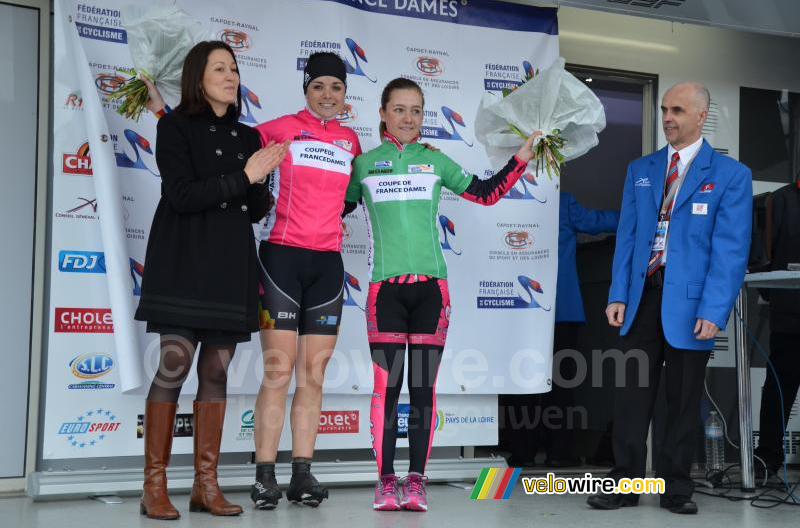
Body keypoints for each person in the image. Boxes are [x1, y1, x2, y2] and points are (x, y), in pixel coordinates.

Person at [343, 77, 540, 512]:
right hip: (383, 293)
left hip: (432, 291)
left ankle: (416, 481)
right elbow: (336, 206)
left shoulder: (434, 161)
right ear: (382, 112)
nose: (408, 118)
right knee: (386, 389)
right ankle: (385, 480)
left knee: (422, 387)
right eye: (399, 109)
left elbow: (486, 194)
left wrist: (522, 155)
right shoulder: (364, 165)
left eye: (416, 110)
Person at [134, 41, 288, 520]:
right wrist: (246, 175)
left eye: (234, 68)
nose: (230, 75)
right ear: (197, 77)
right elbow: (181, 195)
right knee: (174, 367)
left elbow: (253, 208)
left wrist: (263, 181)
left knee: (216, 373)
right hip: (182, 262)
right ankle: (153, 488)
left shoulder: (248, 136)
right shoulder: (174, 126)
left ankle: (206, 486)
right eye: (219, 67)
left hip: (228, 268)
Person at [586, 82, 752, 515]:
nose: (667, 117)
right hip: (641, 299)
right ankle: (624, 484)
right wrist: (618, 292)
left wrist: (715, 310)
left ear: (702, 116)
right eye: (663, 109)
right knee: (630, 396)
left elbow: (730, 252)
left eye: (677, 109)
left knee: (681, 402)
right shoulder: (641, 169)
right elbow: (627, 237)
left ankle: (676, 487)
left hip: (693, 306)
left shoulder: (732, 175)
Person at [249, 52, 362, 509]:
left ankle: (302, 473)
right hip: (281, 258)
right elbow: (236, 160)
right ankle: (263, 476)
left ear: (345, 94)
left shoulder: (351, 141)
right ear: (306, 90)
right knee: (279, 371)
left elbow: (351, 197)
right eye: (319, 87)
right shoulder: (279, 128)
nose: (327, 95)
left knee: (312, 374)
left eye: (336, 87)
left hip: (327, 265)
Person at [502, 191, 619, 468]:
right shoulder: (562, 200)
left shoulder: (502, 196)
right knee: (561, 385)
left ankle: (521, 453)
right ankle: (559, 453)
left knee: (520, 383)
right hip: (561, 308)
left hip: (516, 309)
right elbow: (599, 221)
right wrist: (647, 212)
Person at [754, 180, 800, 477]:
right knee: (779, 388)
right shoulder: (779, 199)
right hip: (791, 313)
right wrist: (777, 293)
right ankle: (767, 458)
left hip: (787, 308)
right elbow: (765, 253)